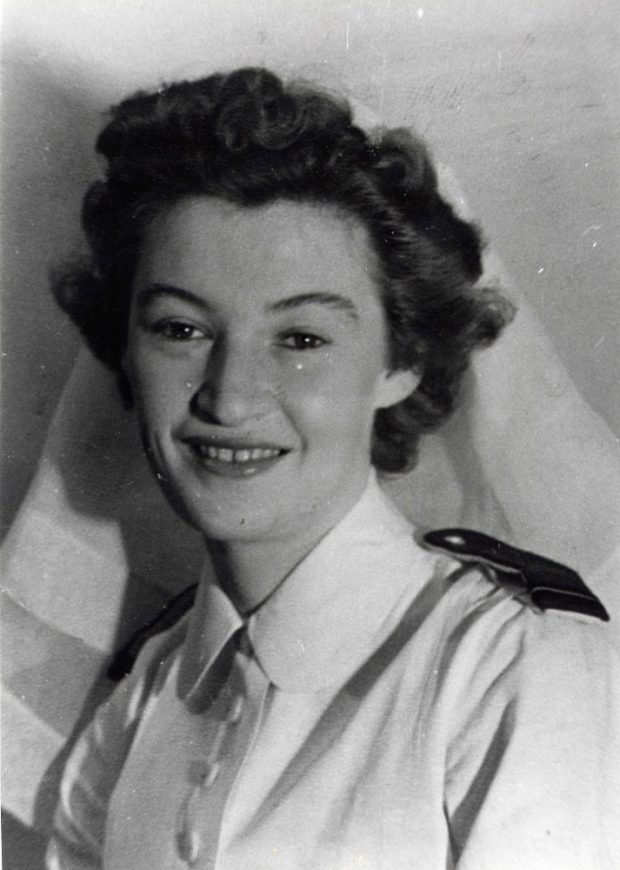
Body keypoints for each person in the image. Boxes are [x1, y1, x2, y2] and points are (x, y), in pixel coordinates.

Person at [45, 67, 618, 869]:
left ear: (403, 361)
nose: (231, 396)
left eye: (302, 338)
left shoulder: (510, 667)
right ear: (125, 350)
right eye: (181, 329)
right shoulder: (141, 698)